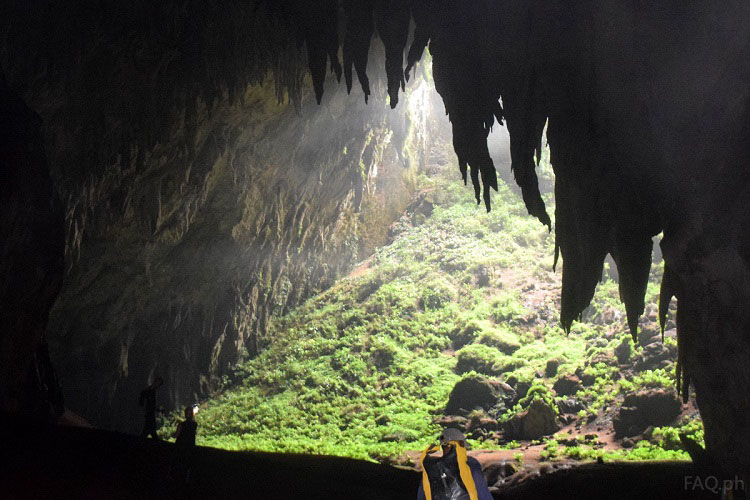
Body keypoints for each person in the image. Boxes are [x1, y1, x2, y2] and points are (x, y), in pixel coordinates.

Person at [417, 428, 493, 500]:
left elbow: (421, 496)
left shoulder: (430, 466)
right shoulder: (470, 463)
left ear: (443, 446)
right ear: (461, 444)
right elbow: (482, 491)